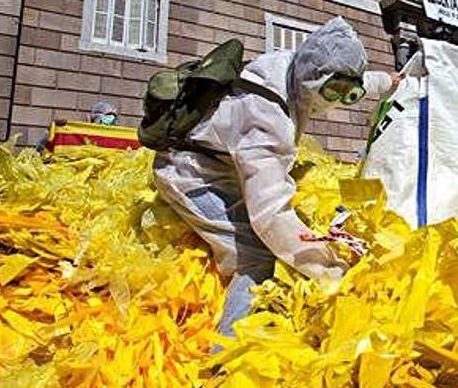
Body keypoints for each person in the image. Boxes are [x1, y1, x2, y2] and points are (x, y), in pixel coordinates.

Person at [153, 17, 399, 342]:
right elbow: (270, 217)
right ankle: (225, 356)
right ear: (313, 79)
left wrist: (389, 82)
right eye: (334, 91)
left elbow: (350, 78)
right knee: (256, 255)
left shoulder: (293, 67)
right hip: (190, 171)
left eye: (348, 94)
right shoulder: (267, 121)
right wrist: (331, 272)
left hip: (225, 160)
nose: (337, 101)